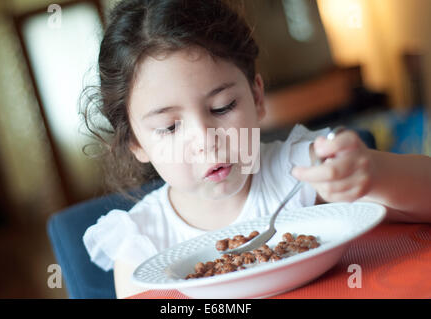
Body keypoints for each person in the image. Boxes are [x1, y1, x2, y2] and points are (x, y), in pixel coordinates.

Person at [82, 0, 431, 299]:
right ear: (136, 143)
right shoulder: (140, 241)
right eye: (170, 127)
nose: (205, 139)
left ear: (257, 97)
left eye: (221, 107)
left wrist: (375, 173)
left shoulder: (302, 172)